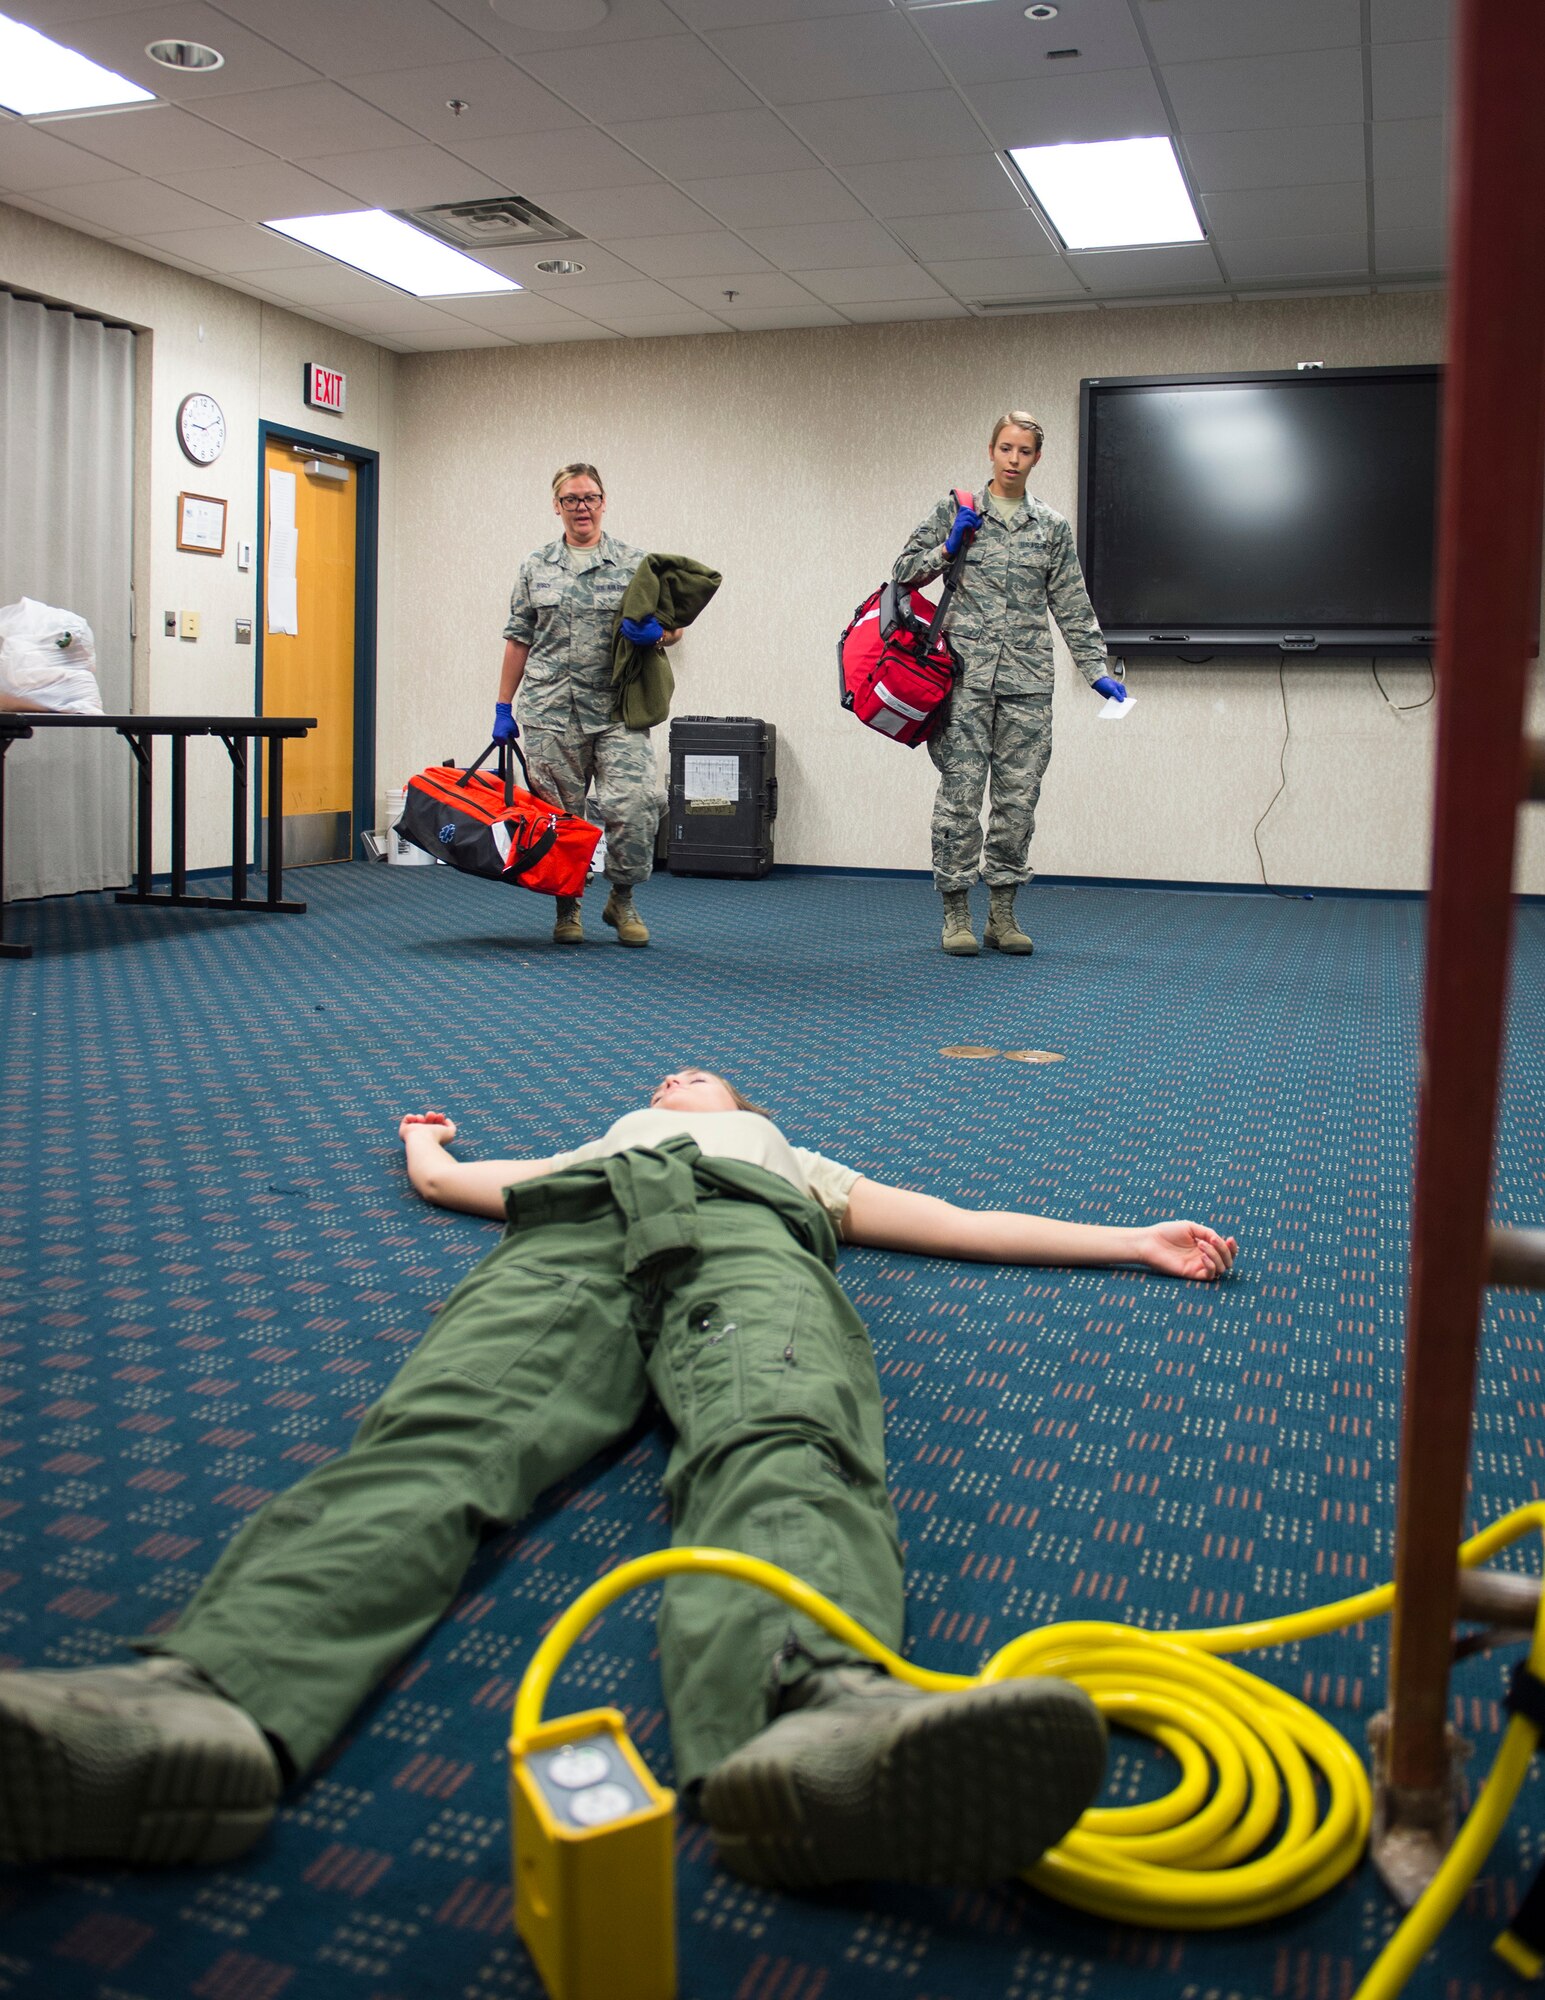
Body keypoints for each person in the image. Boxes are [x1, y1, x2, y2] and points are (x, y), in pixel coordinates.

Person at [0, 1071, 1236, 1893]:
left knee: (786, 1437)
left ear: (746, 1104)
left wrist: (1129, 1238)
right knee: (439, 1434)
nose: (674, 1083)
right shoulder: (599, 1142)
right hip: (576, 1229)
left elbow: (955, 1217)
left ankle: (812, 1719)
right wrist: (425, 1142)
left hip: (752, 1236)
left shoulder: (790, 1157)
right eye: (663, 1081)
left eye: (697, 1080)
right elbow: (447, 1183)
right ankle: (201, 1699)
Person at [894, 411, 1128, 960]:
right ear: (991, 451)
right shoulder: (957, 511)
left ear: (1037, 458)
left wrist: (1095, 667)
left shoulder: (1051, 526)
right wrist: (949, 546)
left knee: (1018, 800)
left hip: (1027, 682)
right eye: (1005, 448)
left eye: (1024, 451)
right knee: (960, 797)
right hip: (965, 681)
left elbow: (1071, 601)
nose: (1014, 459)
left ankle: (1002, 912)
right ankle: (956, 911)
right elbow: (904, 571)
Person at [495, 463, 683, 949]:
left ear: (604, 502)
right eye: (572, 499)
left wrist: (657, 634)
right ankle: (568, 906)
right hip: (549, 710)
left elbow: (674, 626)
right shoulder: (535, 565)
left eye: (591, 497)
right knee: (562, 818)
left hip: (618, 707)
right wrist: (502, 707)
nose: (583, 507)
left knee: (638, 803)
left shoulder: (633, 562)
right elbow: (518, 638)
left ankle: (622, 899)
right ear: (556, 506)